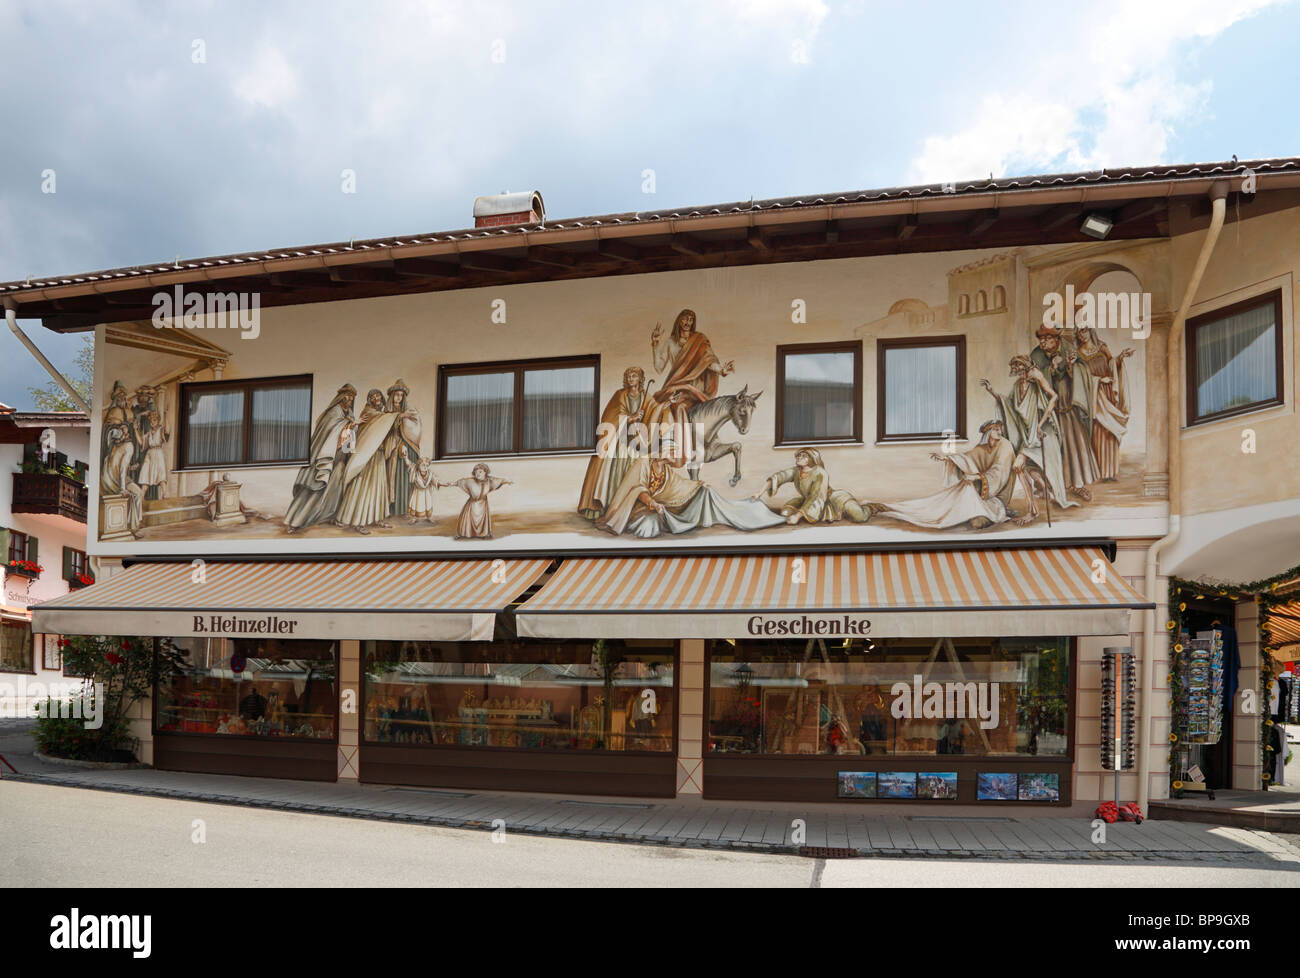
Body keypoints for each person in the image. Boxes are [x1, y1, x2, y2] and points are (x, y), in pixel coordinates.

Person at [866, 419, 1023, 529]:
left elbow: (999, 472)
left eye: (999, 428)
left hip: (995, 498)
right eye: (995, 429)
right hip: (980, 492)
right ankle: (891, 508)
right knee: (953, 496)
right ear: (987, 433)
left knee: (976, 521)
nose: (999, 431)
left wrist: (976, 477)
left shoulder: (1005, 446)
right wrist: (947, 458)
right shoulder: (982, 448)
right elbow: (967, 457)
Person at [596, 451, 785, 538]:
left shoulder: (666, 471)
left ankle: (742, 513)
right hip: (636, 509)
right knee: (648, 528)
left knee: (705, 491)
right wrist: (653, 504)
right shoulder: (643, 463)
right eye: (672, 451)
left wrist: (697, 485)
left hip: (657, 507)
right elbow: (637, 489)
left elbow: (679, 484)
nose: (675, 455)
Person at [984, 356, 1078, 519]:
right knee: (1029, 469)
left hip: (1041, 433)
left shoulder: (1036, 376)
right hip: (1027, 435)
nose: (1015, 371)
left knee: (1018, 466)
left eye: (1017, 367)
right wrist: (992, 392)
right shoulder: (1017, 385)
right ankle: (1046, 494)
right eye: (1014, 368)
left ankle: (1034, 510)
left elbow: (1053, 397)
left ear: (1024, 367)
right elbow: (1008, 405)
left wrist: (1041, 424)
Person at [643, 309, 734, 456]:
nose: (688, 323)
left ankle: (708, 443)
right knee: (677, 407)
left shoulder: (699, 341)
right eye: (685, 319)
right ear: (679, 320)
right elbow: (659, 368)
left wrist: (721, 371)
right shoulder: (670, 343)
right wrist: (655, 345)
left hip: (696, 390)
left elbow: (708, 361)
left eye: (691, 320)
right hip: (678, 388)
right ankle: (679, 447)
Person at [1030, 324, 1099, 499]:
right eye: (1041, 339)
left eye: (1047, 338)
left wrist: (1071, 365)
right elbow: (1033, 378)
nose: (1043, 342)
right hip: (1048, 409)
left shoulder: (1068, 347)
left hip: (1068, 406)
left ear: (1057, 339)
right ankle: (1051, 485)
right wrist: (1050, 369)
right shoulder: (1036, 355)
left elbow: (1084, 370)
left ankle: (1077, 485)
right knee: (1051, 446)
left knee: (1073, 445)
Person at [336, 387, 416, 533]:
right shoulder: (369, 412)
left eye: (379, 397)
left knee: (378, 488)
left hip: (378, 455)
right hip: (367, 456)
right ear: (369, 400)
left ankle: (377, 518)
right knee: (363, 488)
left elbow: (389, 428)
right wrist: (400, 415)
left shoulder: (382, 414)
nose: (376, 399)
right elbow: (383, 421)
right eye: (373, 397)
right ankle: (358, 522)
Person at [578, 366, 649, 520]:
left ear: (640, 379)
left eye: (634, 376)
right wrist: (631, 418)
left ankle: (632, 509)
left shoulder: (646, 396)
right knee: (617, 473)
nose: (631, 379)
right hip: (620, 441)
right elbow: (610, 417)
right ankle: (613, 508)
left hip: (637, 441)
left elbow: (653, 412)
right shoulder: (620, 395)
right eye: (629, 376)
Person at [284, 383, 357, 533]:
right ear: (341, 396)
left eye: (352, 397)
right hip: (324, 459)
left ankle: (328, 516)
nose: (350, 399)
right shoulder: (333, 412)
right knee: (313, 490)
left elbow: (349, 437)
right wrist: (350, 424)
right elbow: (330, 431)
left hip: (340, 458)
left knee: (335, 489)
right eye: (348, 396)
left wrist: (351, 426)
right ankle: (294, 521)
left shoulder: (349, 413)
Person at [1076, 327, 1135, 481]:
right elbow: (1081, 376)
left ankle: (1111, 472)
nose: (1081, 335)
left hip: (1108, 393)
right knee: (1098, 432)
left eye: (1083, 331)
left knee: (1110, 431)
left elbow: (1111, 364)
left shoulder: (1102, 347)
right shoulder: (1078, 353)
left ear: (1090, 331)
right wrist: (1099, 380)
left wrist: (1121, 357)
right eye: (1078, 333)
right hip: (1095, 395)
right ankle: (1101, 472)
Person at [756, 447, 869, 525]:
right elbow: (779, 477)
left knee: (859, 516)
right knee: (785, 513)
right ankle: (803, 513)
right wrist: (759, 493)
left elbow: (816, 497)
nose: (799, 457)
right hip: (808, 501)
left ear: (812, 459)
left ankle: (869, 507)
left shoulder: (820, 473)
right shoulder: (796, 471)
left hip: (832, 498)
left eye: (804, 456)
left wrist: (797, 517)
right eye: (799, 455)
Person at [382, 380, 421, 517]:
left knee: (406, 479)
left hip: (407, 448)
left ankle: (405, 509)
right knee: (393, 479)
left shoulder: (407, 410)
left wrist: (403, 417)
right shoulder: (386, 411)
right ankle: (392, 510)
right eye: (397, 394)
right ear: (392, 396)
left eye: (401, 395)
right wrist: (399, 417)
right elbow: (386, 430)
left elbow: (415, 425)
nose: (399, 397)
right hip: (393, 449)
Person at [442, 464, 511, 539]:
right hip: (472, 504)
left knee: (482, 520)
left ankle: (484, 534)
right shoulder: (470, 481)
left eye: (480, 472)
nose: (477, 474)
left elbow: (500, 481)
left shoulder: (490, 481)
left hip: (483, 504)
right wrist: (451, 484)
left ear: (485, 472)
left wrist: (507, 481)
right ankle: (465, 533)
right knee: (468, 520)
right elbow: (460, 482)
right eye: (476, 472)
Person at [134, 410, 170, 497]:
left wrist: (165, 415)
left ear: (158, 421)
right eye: (151, 421)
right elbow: (142, 443)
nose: (152, 423)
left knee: (161, 476)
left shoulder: (161, 430)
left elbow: (167, 431)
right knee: (145, 474)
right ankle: (142, 496)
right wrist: (135, 430)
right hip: (149, 455)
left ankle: (165, 495)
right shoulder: (149, 433)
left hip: (158, 454)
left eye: (154, 420)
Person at [405, 456, 438, 524]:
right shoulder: (415, 471)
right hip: (417, 492)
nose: (425, 467)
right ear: (419, 465)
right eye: (423, 465)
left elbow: (436, 480)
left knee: (427, 504)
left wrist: (441, 484)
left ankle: (428, 517)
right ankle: (414, 518)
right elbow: (409, 464)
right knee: (415, 504)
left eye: (427, 465)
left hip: (426, 493)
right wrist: (405, 457)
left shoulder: (430, 473)